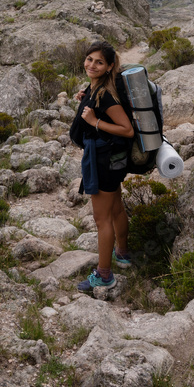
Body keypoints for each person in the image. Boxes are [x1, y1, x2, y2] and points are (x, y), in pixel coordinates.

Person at [68, 40, 135, 291]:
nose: (92, 65)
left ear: (109, 67)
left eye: (99, 62)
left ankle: (104, 275)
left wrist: (95, 121)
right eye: (89, 59)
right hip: (111, 158)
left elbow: (126, 129)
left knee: (101, 219)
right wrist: (84, 100)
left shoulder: (106, 95)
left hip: (104, 160)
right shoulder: (96, 88)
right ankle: (123, 254)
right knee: (116, 208)